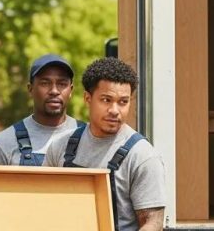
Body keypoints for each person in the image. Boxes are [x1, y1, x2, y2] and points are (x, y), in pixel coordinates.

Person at [46, 57, 165, 231]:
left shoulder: (143, 156)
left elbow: (153, 224)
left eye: (123, 102)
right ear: (88, 98)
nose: (114, 111)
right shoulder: (60, 147)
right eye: (106, 100)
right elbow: (46, 207)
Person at [0, 54, 82, 166]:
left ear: (71, 90)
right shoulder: (2, 144)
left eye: (62, 84)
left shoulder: (91, 138)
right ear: (30, 89)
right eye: (45, 83)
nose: (54, 91)